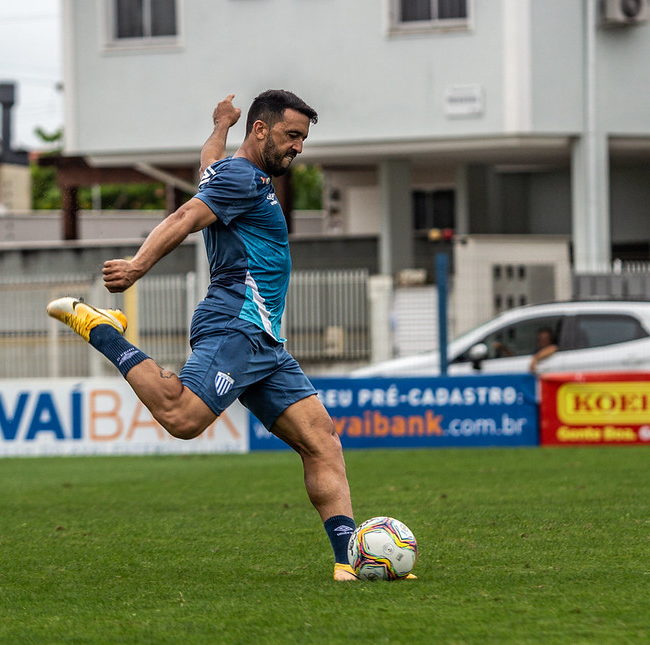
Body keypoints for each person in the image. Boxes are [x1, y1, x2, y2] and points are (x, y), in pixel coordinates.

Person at [48, 91, 414, 582]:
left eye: (303, 138)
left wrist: (219, 126)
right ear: (260, 131)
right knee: (182, 417)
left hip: (264, 340)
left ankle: (351, 559)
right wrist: (136, 266)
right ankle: (104, 330)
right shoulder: (243, 178)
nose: (299, 148)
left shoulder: (231, 174)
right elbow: (183, 218)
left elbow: (207, 166)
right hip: (235, 325)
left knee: (321, 441)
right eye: (291, 136)